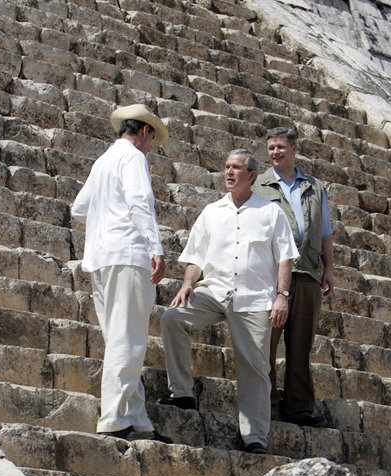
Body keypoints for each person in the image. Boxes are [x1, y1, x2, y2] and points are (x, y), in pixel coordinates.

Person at [159, 149, 299, 454]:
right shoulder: (212, 211)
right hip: (215, 290)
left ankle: (255, 438)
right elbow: (195, 256)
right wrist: (186, 285)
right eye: (226, 167)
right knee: (172, 317)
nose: (229, 173)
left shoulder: (271, 212)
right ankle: (181, 392)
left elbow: (285, 258)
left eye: (236, 168)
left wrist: (282, 296)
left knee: (255, 367)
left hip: (254, 297)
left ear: (251, 176)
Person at [71, 103, 172, 443]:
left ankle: (138, 419)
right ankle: (114, 418)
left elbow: (79, 208)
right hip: (128, 256)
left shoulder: (102, 161)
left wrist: (105, 220)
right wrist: (155, 247)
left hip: (101, 258)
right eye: (151, 138)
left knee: (121, 339)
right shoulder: (132, 157)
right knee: (128, 340)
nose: (150, 146)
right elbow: (140, 201)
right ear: (144, 131)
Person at [253, 126, 334, 427]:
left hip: (310, 272)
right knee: (266, 343)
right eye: (271, 147)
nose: (275, 152)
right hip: (271, 275)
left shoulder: (315, 187)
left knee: (301, 345)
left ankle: (299, 408)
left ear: (294, 149)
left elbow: (325, 231)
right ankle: (268, 405)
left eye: (280, 147)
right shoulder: (258, 185)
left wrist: (330, 268)